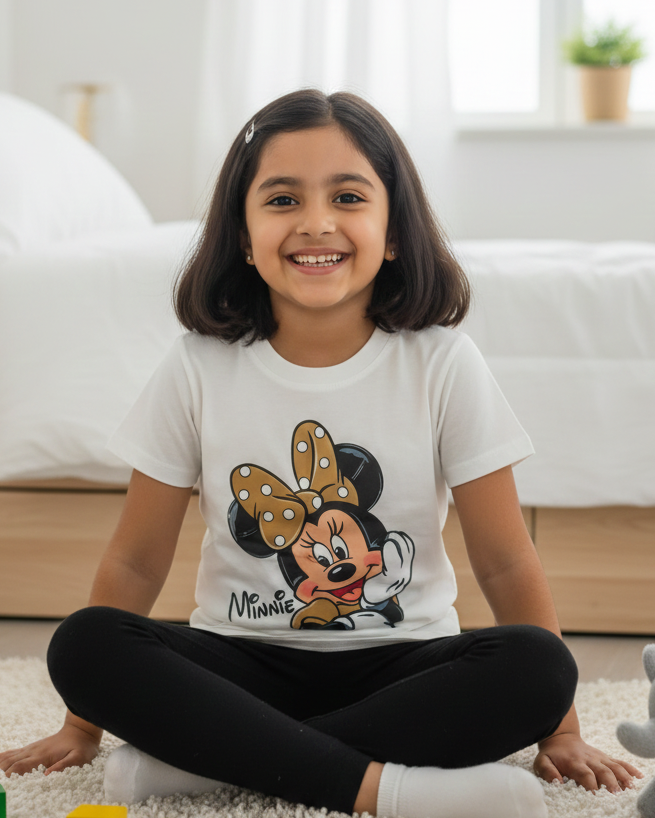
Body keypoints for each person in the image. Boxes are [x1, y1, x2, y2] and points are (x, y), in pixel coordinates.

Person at [0, 89, 642, 818]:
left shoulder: (442, 363)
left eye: (346, 196)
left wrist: (559, 729)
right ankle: (381, 789)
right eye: (280, 200)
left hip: (401, 667)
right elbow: (136, 560)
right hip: (239, 661)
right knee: (85, 646)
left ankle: (213, 769)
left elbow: (502, 561)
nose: (315, 223)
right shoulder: (196, 366)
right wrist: (81, 724)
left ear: (392, 230)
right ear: (242, 235)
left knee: (536, 666)